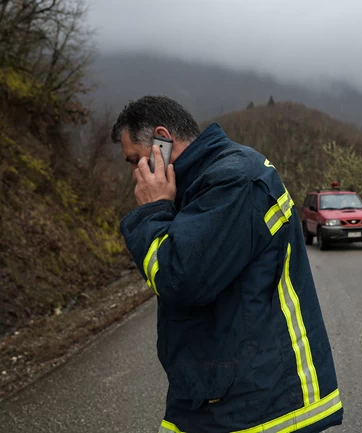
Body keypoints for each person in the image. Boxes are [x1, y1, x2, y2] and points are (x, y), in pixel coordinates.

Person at [112, 95, 343, 433]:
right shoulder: (197, 184)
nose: (135, 174)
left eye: (135, 160)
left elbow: (180, 278)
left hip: (258, 403)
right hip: (214, 391)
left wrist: (153, 210)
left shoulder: (232, 179)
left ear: (162, 139)